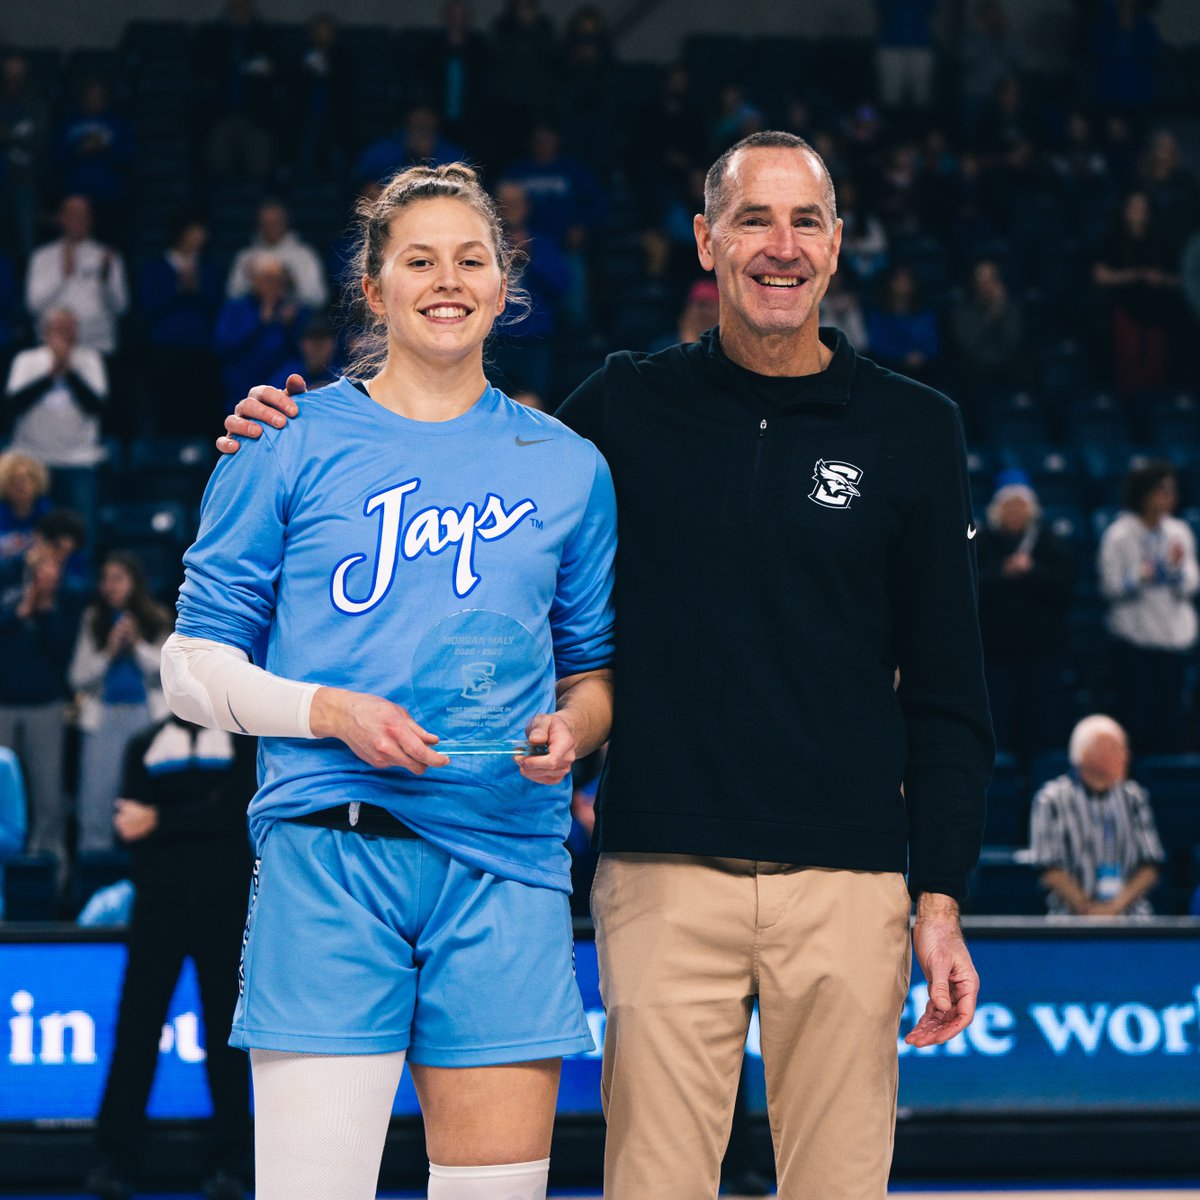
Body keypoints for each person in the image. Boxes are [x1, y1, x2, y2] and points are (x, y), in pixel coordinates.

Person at [222, 132, 992, 1200]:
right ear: (706, 241)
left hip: (850, 881)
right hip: (663, 871)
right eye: (753, 220)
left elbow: (952, 697)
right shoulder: (621, 409)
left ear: (838, 244)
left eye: (805, 221)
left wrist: (943, 896)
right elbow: (468, 453)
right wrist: (287, 429)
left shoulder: (916, 429)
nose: (780, 246)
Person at [165, 163, 616, 1200]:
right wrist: (325, 711)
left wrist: (575, 730)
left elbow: (593, 673)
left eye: (471, 260)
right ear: (374, 290)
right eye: (418, 260)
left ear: (506, 287)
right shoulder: (287, 442)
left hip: (507, 866)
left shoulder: (568, 468)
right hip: (330, 857)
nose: (445, 280)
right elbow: (188, 667)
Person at [85, 714, 255, 1200]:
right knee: (135, 1033)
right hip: (158, 910)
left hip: (222, 912)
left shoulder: (242, 745)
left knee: (227, 1042)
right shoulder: (144, 742)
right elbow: (126, 826)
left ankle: (229, 1165)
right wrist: (197, 816)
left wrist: (161, 819)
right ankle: (113, 1160)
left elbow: (234, 815)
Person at [0, 508, 86, 876]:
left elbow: (64, 654)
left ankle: (49, 880)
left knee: (48, 798)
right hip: (3, 700)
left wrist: (47, 606)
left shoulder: (72, 590)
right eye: (55, 549)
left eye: (66, 554)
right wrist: (24, 607)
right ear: (38, 541)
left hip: (46, 703)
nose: (58, 560)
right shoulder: (5, 572)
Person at [69, 551, 171, 856]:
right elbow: (77, 677)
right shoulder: (94, 619)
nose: (110, 586)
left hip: (146, 722)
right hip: (103, 722)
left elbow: (169, 672)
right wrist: (110, 651)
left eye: (118, 579)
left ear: (134, 582)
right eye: (105, 579)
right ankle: (93, 875)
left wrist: (137, 644)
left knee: (145, 796)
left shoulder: (157, 617)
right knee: (96, 802)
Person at [1097, 460, 1198, 754]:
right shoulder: (1119, 534)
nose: (1171, 498)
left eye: (1172, 491)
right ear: (1145, 494)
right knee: (1137, 717)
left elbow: (1191, 584)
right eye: (1163, 491)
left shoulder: (1179, 531)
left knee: (1170, 716)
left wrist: (1178, 570)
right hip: (1135, 642)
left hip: (1173, 640)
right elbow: (1109, 587)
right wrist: (1138, 578)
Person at [976, 479, 1076, 759]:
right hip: (996, 655)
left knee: (1039, 729)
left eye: (1021, 506)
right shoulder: (983, 541)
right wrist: (1003, 574)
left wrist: (1031, 571)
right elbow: (970, 587)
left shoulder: (1048, 541)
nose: (1015, 513)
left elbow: (1064, 587)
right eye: (1009, 506)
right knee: (999, 727)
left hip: (1042, 654)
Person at [1029, 714, 1164, 915]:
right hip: (1069, 921)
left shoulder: (1134, 797)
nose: (1125, 755)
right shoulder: (1051, 799)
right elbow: (1048, 866)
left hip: (1132, 917)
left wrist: (1115, 908)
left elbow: (1151, 864)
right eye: (1115, 748)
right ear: (1087, 754)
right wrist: (1088, 910)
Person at [3, 307, 107, 528]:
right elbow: (13, 405)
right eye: (60, 329)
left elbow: (96, 407)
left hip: (79, 460)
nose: (65, 336)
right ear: (45, 331)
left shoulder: (90, 360)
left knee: (81, 531)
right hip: (33, 459)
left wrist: (68, 372)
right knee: (33, 532)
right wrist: (50, 374)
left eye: (70, 330)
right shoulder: (27, 360)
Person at [25, 194, 128, 356]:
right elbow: (33, 305)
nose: (78, 219)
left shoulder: (108, 256)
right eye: (72, 213)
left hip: (97, 346)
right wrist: (63, 277)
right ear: (60, 218)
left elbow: (121, 307)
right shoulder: (42, 257)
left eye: (84, 214)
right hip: (53, 349)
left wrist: (105, 282)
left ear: (92, 219)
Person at [225, 199, 329, 311]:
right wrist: (252, 283)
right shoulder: (244, 257)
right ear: (258, 224)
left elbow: (319, 299)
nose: (270, 227)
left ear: (285, 222)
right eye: (265, 222)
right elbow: (232, 296)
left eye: (275, 222)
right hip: (252, 319)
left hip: (294, 320)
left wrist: (291, 282)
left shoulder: (305, 255)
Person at [0, 451, 52, 565]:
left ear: (37, 481)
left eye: (25, 479)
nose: (20, 486)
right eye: (13, 481)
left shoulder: (49, 514)